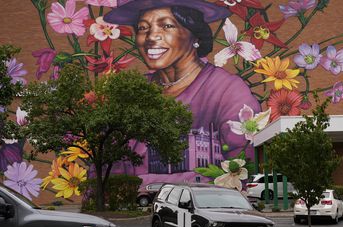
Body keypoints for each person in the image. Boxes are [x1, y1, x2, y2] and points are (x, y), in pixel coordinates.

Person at [104, 0, 261, 183]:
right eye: (142, 28)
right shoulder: (130, 93)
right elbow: (105, 165)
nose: (151, 36)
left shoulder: (227, 90)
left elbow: (241, 170)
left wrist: (139, 184)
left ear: (195, 35)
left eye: (167, 26)